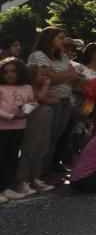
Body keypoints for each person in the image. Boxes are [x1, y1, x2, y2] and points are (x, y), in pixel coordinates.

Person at [27, 27, 80, 179]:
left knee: (57, 136)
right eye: (61, 38)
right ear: (50, 39)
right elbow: (52, 78)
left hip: (64, 100)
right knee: (46, 138)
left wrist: (64, 76)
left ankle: (48, 169)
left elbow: (74, 76)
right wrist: (66, 76)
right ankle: (40, 173)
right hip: (49, 101)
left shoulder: (61, 56)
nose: (64, 41)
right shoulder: (39, 55)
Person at [15, 65, 57, 194]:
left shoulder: (40, 88)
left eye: (46, 75)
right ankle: (23, 180)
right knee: (30, 149)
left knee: (42, 149)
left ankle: (35, 177)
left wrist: (43, 97)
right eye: (42, 75)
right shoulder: (28, 88)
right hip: (34, 120)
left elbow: (55, 99)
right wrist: (44, 91)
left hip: (45, 120)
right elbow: (37, 99)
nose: (46, 78)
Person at [0, 58, 35, 202]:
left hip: (19, 126)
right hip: (2, 127)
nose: (9, 75)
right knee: (1, 158)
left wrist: (25, 113)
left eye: (13, 71)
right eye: (6, 72)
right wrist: (11, 116)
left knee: (11, 158)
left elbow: (31, 102)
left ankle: (6, 187)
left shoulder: (27, 88)